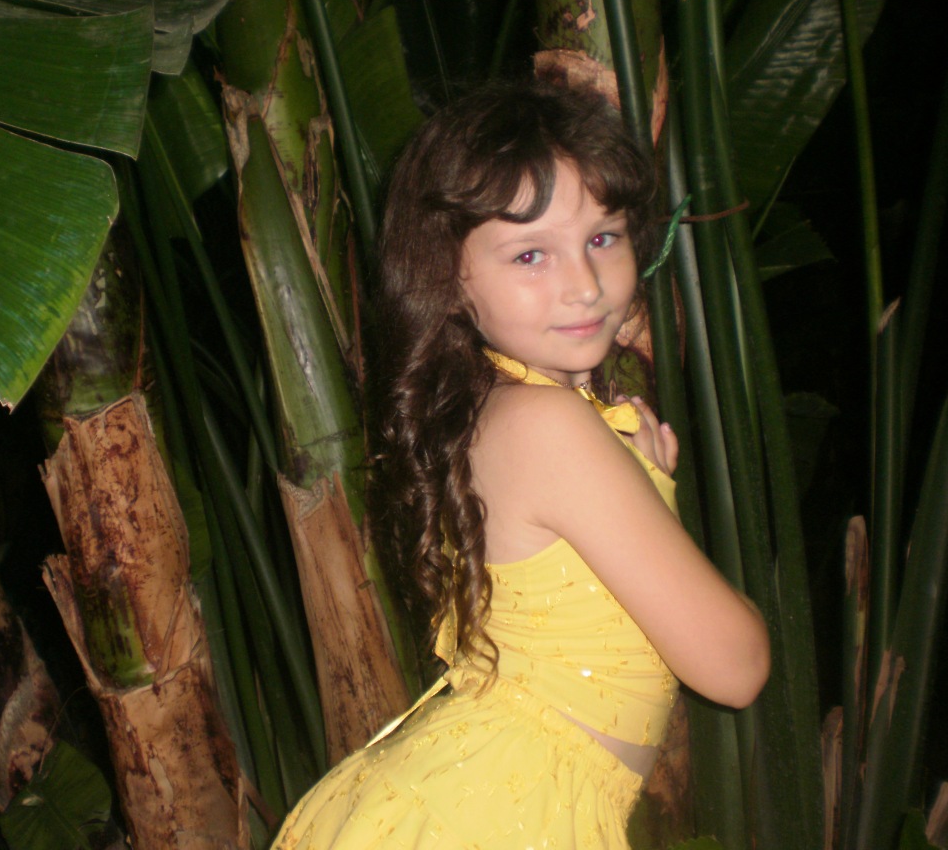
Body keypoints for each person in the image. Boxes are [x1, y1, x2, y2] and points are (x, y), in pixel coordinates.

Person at [272, 81, 770, 849]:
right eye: (531, 254)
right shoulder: (548, 425)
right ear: (448, 277)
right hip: (504, 811)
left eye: (603, 238)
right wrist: (653, 494)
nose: (585, 285)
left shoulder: (490, 407)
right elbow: (735, 666)